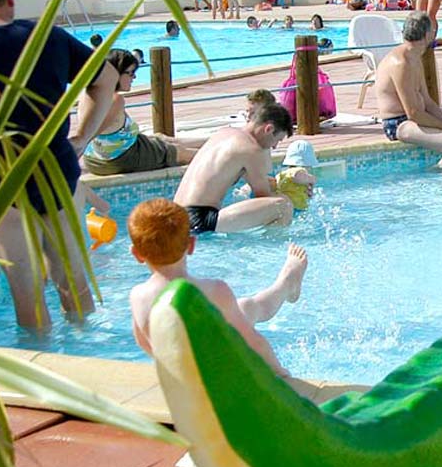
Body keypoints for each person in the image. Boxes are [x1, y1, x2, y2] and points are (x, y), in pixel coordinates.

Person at [0, 0, 120, 328]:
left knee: (26, 295)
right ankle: (87, 354)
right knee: (73, 281)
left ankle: (40, 362)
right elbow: (106, 78)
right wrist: (82, 135)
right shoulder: (47, 37)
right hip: (56, 169)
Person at [127, 198, 306, 377]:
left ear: (136, 254)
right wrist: (281, 373)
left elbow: (142, 341)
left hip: (186, 383)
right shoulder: (214, 291)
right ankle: (286, 283)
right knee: (250, 308)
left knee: (244, 307)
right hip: (222, 379)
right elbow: (253, 341)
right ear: (191, 245)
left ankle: (286, 284)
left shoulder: (137, 296)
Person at [173, 102, 295, 234]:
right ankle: (270, 249)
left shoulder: (225, 133)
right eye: (277, 140)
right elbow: (264, 196)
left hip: (176, 216)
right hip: (199, 220)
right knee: (283, 206)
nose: (275, 146)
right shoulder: (252, 149)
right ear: (269, 129)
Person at [374, 12, 442, 169]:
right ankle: (438, 181)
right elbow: (414, 113)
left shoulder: (414, 56)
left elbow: (428, 102)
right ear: (428, 34)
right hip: (400, 124)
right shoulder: (401, 63)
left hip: (416, 120)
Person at [84, 50, 203, 176]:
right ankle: (220, 153)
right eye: (130, 73)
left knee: (161, 138)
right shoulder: (115, 100)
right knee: (181, 153)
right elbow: (91, 132)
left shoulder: (89, 94)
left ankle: (213, 140)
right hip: (122, 159)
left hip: (93, 159)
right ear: (115, 74)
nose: (134, 77)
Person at [276, 140, 319, 211]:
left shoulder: (282, 174)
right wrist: (311, 179)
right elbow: (296, 176)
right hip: (295, 207)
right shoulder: (298, 170)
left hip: (287, 207)